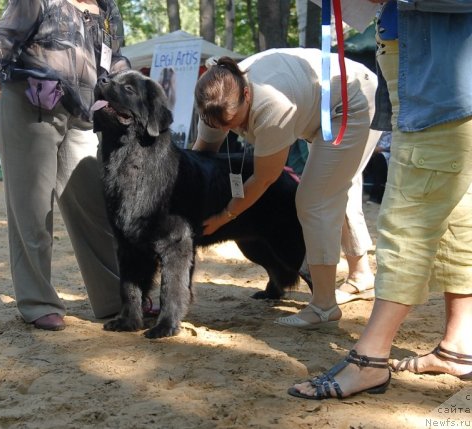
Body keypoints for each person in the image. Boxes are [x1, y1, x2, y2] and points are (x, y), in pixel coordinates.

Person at [289, 1, 472, 400]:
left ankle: (370, 359)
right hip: (440, 77)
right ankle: (459, 346)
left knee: (408, 219)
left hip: (439, 82)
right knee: (458, 218)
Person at [192, 50, 381, 329]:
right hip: (314, 104)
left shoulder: (272, 107)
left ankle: (324, 306)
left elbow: (264, 179)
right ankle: (361, 274)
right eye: (219, 126)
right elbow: (202, 155)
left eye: (234, 123)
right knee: (337, 186)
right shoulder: (216, 99)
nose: (231, 130)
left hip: (349, 101)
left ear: (247, 95)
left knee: (315, 199)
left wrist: (224, 216)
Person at [0, 0, 130, 331]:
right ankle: (37, 302)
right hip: (28, 100)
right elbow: (4, 36)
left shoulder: (107, 9)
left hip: (82, 110)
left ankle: (118, 298)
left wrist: (131, 91)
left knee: (95, 203)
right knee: (32, 207)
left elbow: (114, 58)